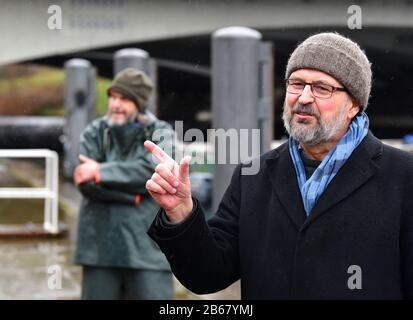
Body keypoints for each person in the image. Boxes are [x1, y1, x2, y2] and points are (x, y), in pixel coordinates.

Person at [144, 32, 413, 299]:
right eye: (296, 84)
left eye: (322, 88)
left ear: (354, 104)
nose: (304, 97)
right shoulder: (253, 176)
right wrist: (182, 212)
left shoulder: (402, 176)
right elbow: (208, 274)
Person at [73, 68, 175, 300]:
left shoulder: (161, 132)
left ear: (139, 103)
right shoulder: (94, 132)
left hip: (147, 248)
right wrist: (135, 195)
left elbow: (154, 172)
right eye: (113, 97)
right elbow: (84, 183)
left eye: (125, 98)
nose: (116, 104)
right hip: (99, 247)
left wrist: (100, 171)